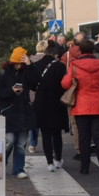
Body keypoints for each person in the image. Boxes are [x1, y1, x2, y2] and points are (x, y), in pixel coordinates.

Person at [61, 37, 99, 176]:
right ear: (93, 50)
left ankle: (85, 166)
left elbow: (65, 84)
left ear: (80, 51)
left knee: (84, 137)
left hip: (81, 104)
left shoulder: (75, 66)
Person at [0, 47, 37, 178]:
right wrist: (11, 91)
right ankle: (1, 165)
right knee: (9, 141)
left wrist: (30, 66)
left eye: (21, 64)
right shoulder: (3, 73)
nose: (19, 66)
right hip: (8, 112)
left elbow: (35, 84)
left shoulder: (26, 72)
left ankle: (19, 169)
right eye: (17, 63)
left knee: (21, 144)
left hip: (24, 111)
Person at [32, 42, 70, 171]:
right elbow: (65, 84)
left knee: (45, 134)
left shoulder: (37, 66)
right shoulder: (60, 66)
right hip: (56, 103)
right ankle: (58, 159)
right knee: (57, 133)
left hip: (41, 103)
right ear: (56, 54)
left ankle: (49, 163)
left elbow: (32, 85)